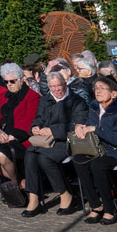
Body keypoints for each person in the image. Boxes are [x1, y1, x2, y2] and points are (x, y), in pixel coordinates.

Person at [69, 75, 117, 223]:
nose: (97, 91)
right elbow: (87, 126)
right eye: (96, 88)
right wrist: (79, 127)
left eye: (102, 88)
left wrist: (96, 129)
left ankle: (110, 208)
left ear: (114, 94)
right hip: (97, 148)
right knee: (78, 159)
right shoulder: (94, 108)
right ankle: (96, 205)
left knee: (98, 165)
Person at [21, 67, 79, 217]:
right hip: (45, 141)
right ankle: (34, 198)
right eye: (53, 86)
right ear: (48, 87)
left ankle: (65, 194)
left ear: (65, 84)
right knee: (30, 154)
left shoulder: (76, 100)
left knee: (44, 158)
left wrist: (53, 131)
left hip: (65, 140)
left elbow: (77, 124)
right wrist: (35, 127)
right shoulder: (45, 100)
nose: (56, 89)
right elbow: (39, 118)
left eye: (59, 85)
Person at [0, 63, 40, 208]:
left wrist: (11, 136)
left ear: (21, 80)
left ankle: (15, 186)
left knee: (1, 154)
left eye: (12, 81)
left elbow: (29, 122)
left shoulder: (32, 96)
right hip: (3, 137)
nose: (9, 84)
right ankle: (20, 182)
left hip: (21, 139)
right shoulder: (5, 96)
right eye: (6, 81)